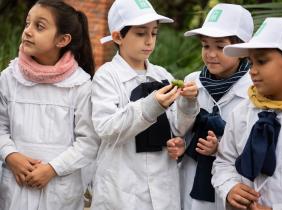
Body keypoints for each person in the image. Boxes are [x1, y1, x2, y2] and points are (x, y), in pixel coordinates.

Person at [91, 0, 199, 209]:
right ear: (117, 36)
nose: (149, 41)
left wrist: (188, 102)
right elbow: (106, 128)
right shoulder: (106, 76)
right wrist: (151, 106)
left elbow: (178, 128)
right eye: (141, 33)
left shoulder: (162, 75)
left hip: (163, 186)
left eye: (154, 33)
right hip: (121, 189)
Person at [0, 1, 99, 210]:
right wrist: (11, 155)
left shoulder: (80, 84)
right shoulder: (9, 78)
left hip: (59, 190)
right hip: (16, 187)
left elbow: (88, 142)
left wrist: (52, 169)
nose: (27, 31)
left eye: (39, 26)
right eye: (27, 24)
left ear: (63, 40)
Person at [211, 17, 282, 210]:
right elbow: (224, 161)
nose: (252, 71)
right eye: (250, 62)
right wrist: (230, 187)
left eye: (262, 61)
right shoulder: (243, 111)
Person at [166, 3, 254, 210]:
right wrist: (180, 143)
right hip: (188, 182)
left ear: (241, 50)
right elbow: (179, 128)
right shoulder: (192, 81)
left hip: (231, 187)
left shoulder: (254, 89)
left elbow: (255, 144)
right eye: (206, 46)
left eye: (220, 46)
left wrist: (220, 148)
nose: (211, 54)